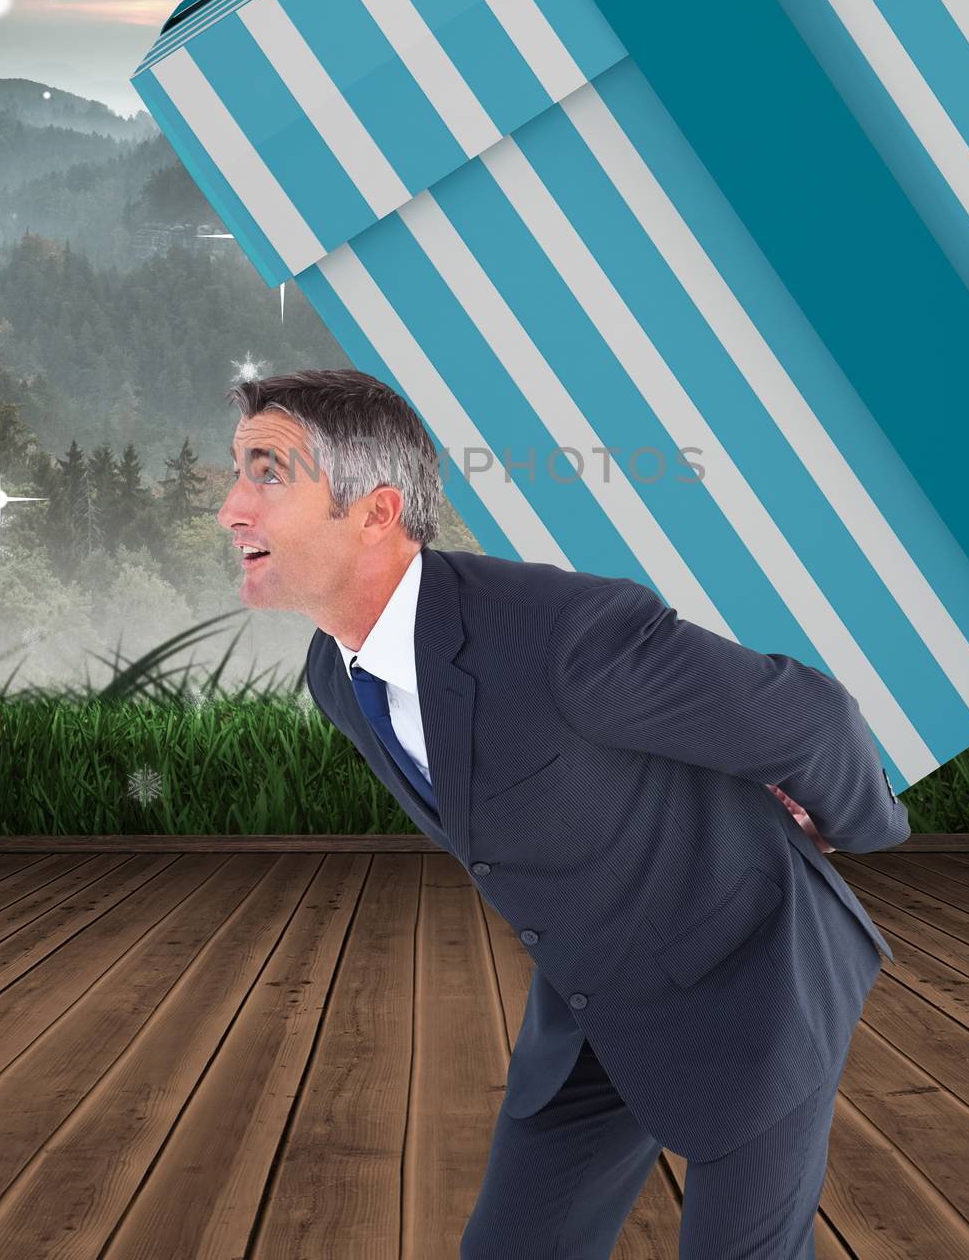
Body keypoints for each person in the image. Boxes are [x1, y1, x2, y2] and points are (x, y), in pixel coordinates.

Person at [217, 367, 910, 1259]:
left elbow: (809, 719)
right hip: (598, 1004)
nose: (233, 507)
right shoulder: (336, 676)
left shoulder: (554, 633)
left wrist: (852, 831)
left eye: (267, 474)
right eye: (238, 471)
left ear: (377, 511)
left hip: (756, 982)